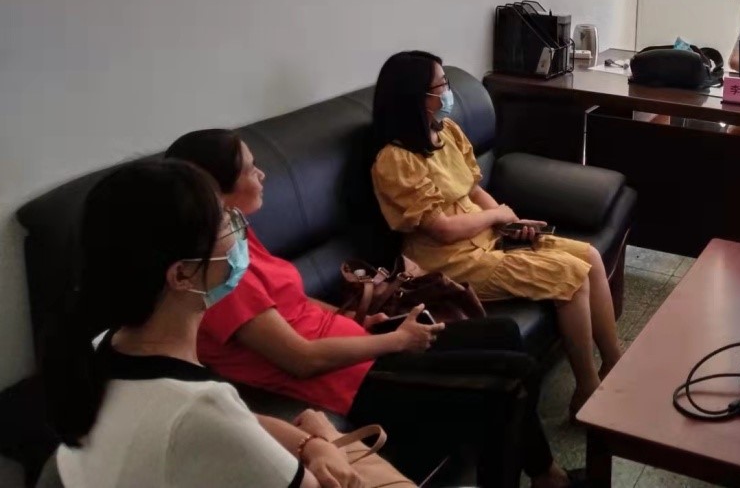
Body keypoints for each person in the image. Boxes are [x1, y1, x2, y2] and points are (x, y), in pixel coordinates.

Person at [165, 129, 575, 488]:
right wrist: (396, 341)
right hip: (346, 379)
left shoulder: (234, 231)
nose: (262, 174)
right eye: (250, 169)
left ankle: (540, 472)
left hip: (356, 343)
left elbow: (293, 299)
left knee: (503, 332)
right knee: (514, 378)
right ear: (213, 187)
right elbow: (301, 360)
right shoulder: (218, 274)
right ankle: (543, 474)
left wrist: (351, 317)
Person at [42, 159, 363, 488]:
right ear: (182, 274)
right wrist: (326, 436)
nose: (239, 227)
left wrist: (308, 444)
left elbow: (237, 424)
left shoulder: (103, 349)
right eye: (224, 221)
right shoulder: (200, 406)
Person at [371, 50, 623, 418]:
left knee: (590, 256)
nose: (448, 92)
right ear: (416, 97)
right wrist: (497, 216)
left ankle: (614, 364)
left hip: (487, 238)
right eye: (441, 85)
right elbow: (441, 229)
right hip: (449, 262)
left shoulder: (446, 132)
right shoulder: (395, 160)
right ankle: (587, 390)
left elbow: (473, 190)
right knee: (571, 276)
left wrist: (509, 222)